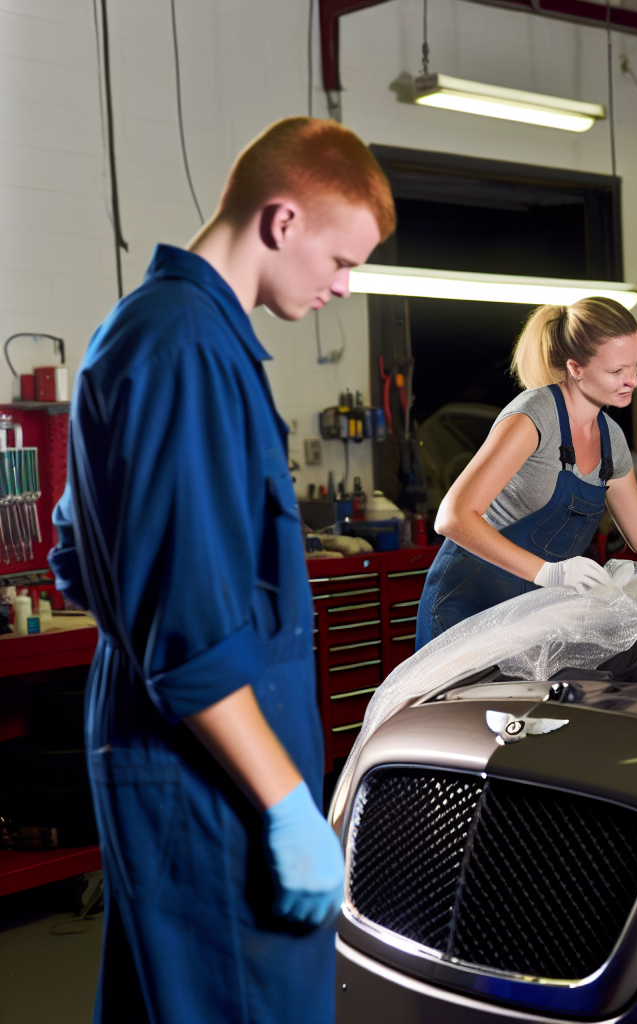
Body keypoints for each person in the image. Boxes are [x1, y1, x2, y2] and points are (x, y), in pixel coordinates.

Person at [49, 117, 393, 1022]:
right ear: (282, 221)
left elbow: (77, 554)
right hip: (207, 774)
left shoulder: (168, 334)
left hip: (178, 753)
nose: (344, 287)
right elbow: (194, 638)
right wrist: (286, 806)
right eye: (339, 260)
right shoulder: (187, 351)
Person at [414, 297, 637, 648]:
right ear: (576, 368)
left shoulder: (610, 439)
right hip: (465, 606)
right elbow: (452, 518)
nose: (632, 380)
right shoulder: (533, 417)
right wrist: (549, 572)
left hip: (529, 610)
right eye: (617, 371)